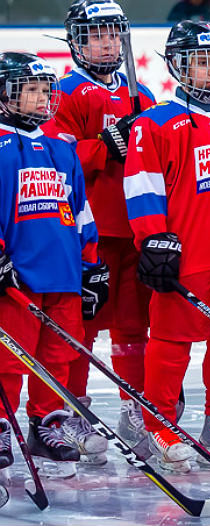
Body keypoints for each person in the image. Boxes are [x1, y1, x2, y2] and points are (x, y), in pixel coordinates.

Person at [124, 20, 210, 471]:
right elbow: (143, 186)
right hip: (187, 251)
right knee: (171, 339)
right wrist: (153, 238)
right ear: (179, 65)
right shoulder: (155, 122)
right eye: (202, 61)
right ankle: (158, 423)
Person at [51, 0, 157, 455]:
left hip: (134, 228)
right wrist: (104, 144)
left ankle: (133, 405)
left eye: (113, 33)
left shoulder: (145, 96)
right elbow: (55, 158)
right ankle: (70, 409)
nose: (107, 43)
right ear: (77, 42)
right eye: (96, 35)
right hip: (87, 230)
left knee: (133, 326)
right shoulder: (64, 92)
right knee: (81, 326)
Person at [0, 52, 108, 478]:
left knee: (57, 355)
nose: (42, 99)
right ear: (5, 95)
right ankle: (2, 423)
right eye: (31, 91)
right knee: (10, 358)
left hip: (63, 272)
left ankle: (48, 423)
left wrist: (91, 263)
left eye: (46, 91)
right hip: (18, 276)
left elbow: (81, 211)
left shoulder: (63, 150)